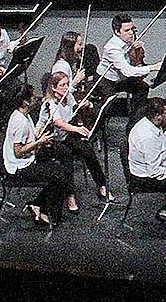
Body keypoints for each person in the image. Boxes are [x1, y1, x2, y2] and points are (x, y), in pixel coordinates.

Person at [36, 70, 111, 208]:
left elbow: (73, 107)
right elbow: (59, 122)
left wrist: (83, 105)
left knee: (87, 150)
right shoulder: (50, 103)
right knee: (66, 155)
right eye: (63, 85)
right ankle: (69, 196)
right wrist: (77, 129)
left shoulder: (67, 96)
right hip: (47, 141)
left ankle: (102, 186)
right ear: (53, 88)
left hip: (63, 136)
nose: (66, 87)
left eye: (67, 84)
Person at [2, 82, 72, 227]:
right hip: (20, 168)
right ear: (25, 101)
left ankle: (38, 205)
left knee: (62, 171)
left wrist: (40, 137)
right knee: (59, 175)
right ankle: (44, 210)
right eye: (32, 97)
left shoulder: (24, 116)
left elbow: (30, 137)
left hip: (27, 161)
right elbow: (18, 151)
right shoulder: (19, 121)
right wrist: (38, 142)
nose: (35, 98)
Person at [101, 13, 159, 120]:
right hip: (107, 80)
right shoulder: (112, 48)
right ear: (117, 32)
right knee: (108, 104)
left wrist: (133, 48)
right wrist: (152, 67)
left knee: (142, 87)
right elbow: (127, 71)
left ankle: (136, 120)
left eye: (132, 29)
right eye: (127, 31)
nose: (132, 33)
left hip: (121, 79)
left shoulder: (128, 41)